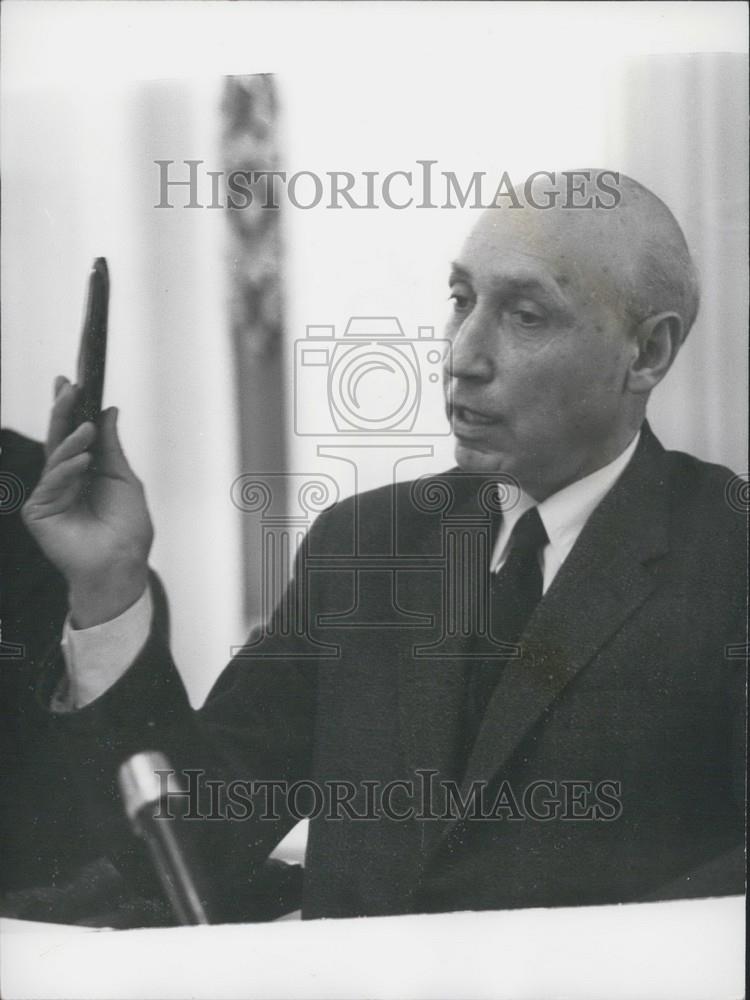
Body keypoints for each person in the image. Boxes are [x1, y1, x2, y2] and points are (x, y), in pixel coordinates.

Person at [21, 172, 745, 920]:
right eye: (461, 301)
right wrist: (109, 584)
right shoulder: (365, 548)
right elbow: (194, 841)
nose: (463, 356)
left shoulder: (730, 556)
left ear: (648, 352)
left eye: (526, 316)